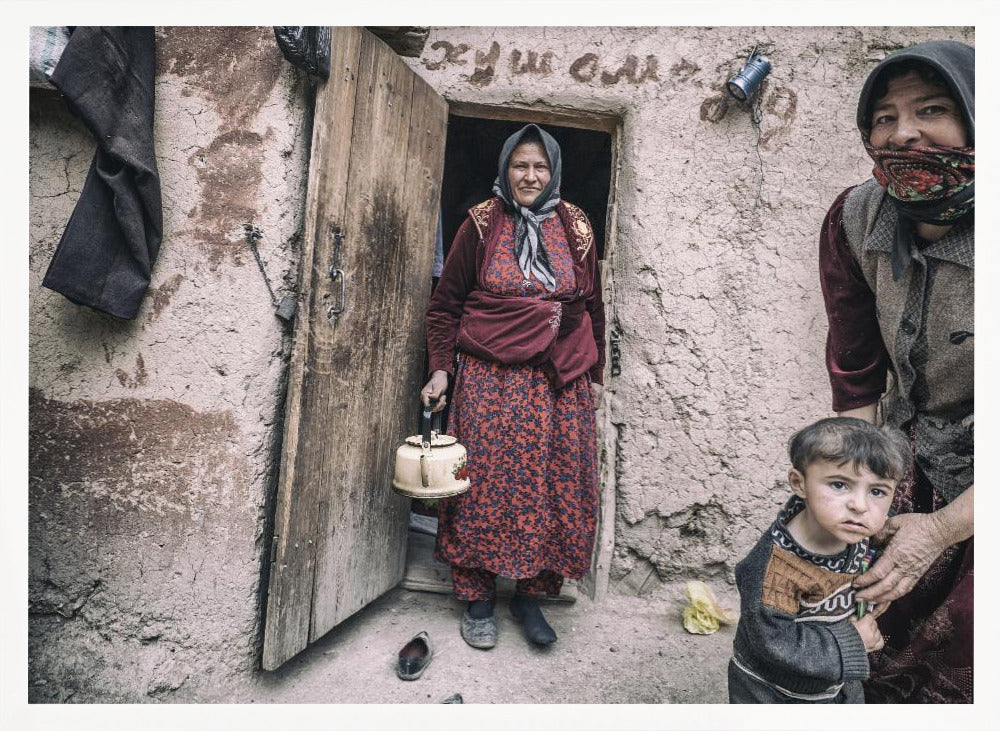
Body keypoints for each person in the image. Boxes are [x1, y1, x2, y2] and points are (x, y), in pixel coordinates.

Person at [819, 40, 974, 703]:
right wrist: (855, 490)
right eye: (884, 117)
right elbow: (856, 371)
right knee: (847, 605)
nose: (903, 132)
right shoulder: (855, 219)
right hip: (908, 447)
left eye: (932, 109)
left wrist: (939, 530)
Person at [421, 124, 605, 649]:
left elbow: (592, 307)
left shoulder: (576, 226)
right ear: (505, 169)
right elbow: (446, 305)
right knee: (481, 485)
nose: (530, 176)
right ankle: (477, 596)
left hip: (557, 383)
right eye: (520, 166)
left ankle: (531, 595)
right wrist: (440, 369)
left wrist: (593, 377)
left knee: (551, 487)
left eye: (540, 167)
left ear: (554, 172)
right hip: (490, 381)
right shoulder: (481, 224)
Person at [728, 417, 910, 704]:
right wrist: (853, 641)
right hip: (774, 691)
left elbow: (867, 563)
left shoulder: (856, 530)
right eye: (839, 485)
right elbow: (772, 640)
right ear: (799, 483)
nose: (860, 505)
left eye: (877, 491)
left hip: (836, 683)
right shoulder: (776, 569)